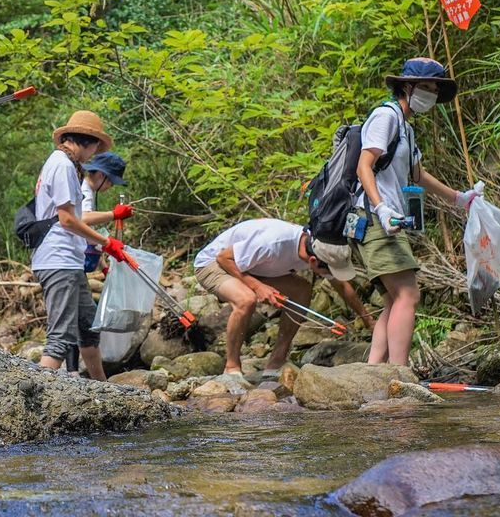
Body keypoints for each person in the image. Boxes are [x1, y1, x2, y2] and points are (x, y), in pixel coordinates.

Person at [351, 57, 481, 366]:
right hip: (374, 219)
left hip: (386, 220)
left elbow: (419, 176)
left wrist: (460, 199)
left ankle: (375, 372)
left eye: (435, 90)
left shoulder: (406, 129)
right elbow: (363, 166)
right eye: (427, 88)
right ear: (407, 87)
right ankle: (399, 373)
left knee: (394, 300)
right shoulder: (386, 117)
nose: (432, 95)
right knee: (409, 295)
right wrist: (381, 208)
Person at [31, 112, 131, 380]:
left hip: (69, 261)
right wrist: (106, 242)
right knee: (61, 336)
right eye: (95, 148)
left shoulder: (62, 164)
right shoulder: (62, 166)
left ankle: (103, 387)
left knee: (88, 327)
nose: (92, 156)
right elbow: (67, 219)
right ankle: (36, 398)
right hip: (57, 259)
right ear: (87, 143)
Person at [193, 218, 357, 376]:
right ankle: (232, 367)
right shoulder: (272, 243)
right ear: (313, 262)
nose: (330, 275)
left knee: (301, 290)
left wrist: (367, 320)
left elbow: (341, 285)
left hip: (253, 266)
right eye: (329, 271)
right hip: (214, 263)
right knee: (246, 299)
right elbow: (223, 258)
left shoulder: (320, 248)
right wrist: (258, 287)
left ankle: (276, 361)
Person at [66, 151, 131, 376]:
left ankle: (79, 373)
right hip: (67, 261)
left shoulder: (89, 191)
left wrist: (103, 264)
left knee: (79, 316)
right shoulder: (83, 189)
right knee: (77, 317)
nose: (111, 186)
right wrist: (113, 214)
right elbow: (81, 219)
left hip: (79, 262)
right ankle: (72, 371)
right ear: (102, 175)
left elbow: (88, 234)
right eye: (111, 181)